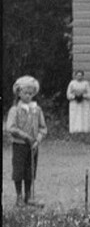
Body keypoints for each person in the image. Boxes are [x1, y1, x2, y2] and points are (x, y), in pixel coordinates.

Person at [5, 76, 48, 207]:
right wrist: (26, 137)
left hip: (33, 146)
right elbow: (10, 127)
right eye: (25, 93)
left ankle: (28, 196)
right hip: (19, 145)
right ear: (19, 93)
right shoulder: (15, 110)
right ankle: (19, 196)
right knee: (19, 170)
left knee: (30, 169)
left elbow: (43, 127)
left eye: (31, 93)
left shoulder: (37, 109)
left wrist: (37, 140)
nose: (28, 96)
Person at [66, 69, 90, 134]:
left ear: (83, 76)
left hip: (84, 102)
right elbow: (68, 94)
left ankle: (85, 130)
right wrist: (74, 96)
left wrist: (83, 96)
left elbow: (89, 93)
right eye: (78, 75)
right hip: (74, 103)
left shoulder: (86, 83)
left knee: (84, 116)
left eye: (81, 75)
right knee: (75, 116)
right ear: (75, 76)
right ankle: (75, 130)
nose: (79, 77)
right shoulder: (72, 83)